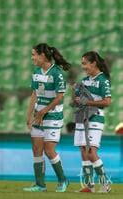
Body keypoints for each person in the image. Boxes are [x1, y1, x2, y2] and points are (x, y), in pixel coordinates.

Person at [23, 43, 70, 192]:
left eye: (34, 54)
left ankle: (63, 180)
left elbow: (60, 97)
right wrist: (28, 114)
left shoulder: (57, 73)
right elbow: (34, 94)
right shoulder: (36, 72)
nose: (32, 58)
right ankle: (40, 184)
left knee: (49, 150)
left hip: (53, 115)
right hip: (39, 115)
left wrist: (44, 111)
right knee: (36, 149)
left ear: (42, 56)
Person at [73, 51, 111, 193]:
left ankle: (105, 183)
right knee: (83, 151)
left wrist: (86, 101)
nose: (83, 67)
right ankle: (89, 186)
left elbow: (107, 101)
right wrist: (75, 93)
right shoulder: (84, 80)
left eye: (84, 63)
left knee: (91, 152)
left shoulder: (103, 80)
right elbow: (76, 102)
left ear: (93, 63)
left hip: (95, 118)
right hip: (82, 117)